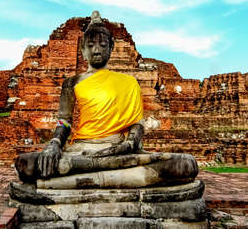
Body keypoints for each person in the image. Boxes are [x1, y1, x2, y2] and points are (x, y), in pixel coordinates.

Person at [15, 12, 197, 186]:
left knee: (185, 164)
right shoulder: (72, 82)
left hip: (118, 150)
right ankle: (118, 179)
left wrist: (130, 143)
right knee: (26, 164)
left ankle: (70, 180)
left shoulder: (129, 82)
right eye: (91, 44)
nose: (97, 50)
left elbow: (137, 124)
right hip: (81, 150)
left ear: (111, 49)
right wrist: (54, 144)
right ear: (82, 49)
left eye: (103, 45)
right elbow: (65, 122)